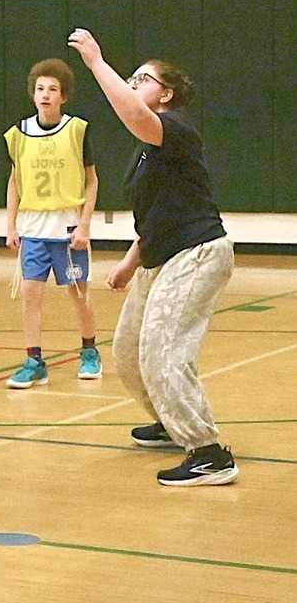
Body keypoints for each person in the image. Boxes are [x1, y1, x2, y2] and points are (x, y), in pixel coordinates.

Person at [68, 28, 238, 487]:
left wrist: (97, 63)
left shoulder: (175, 129)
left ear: (166, 94)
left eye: (142, 78)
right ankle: (170, 420)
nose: (133, 82)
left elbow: (133, 114)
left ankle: (208, 452)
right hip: (160, 254)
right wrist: (128, 263)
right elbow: (160, 216)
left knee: (163, 351)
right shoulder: (149, 151)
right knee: (127, 353)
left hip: (197, 253)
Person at [4, 59, 101, 389]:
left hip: (68, 229)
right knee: (31, 296)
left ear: (64, 97)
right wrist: (11, 225)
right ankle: (34, 361)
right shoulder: (19, 133)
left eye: (53, 90)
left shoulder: (76, 130)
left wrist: (85, 225)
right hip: (33, 230)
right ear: (33, 94)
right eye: (40, 89)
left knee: (78, 295)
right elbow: (15, 181)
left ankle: (89, 351)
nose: (45, 94)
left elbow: (92, 181)